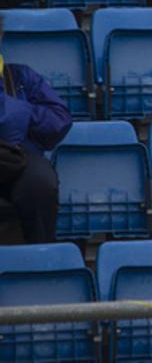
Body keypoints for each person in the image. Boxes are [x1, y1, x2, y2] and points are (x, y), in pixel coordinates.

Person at [0, 14, 73, 244]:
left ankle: (40, 256)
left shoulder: (20, 76)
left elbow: (59, 121)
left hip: (16, 157)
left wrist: (22, 111)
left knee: (40, 183)